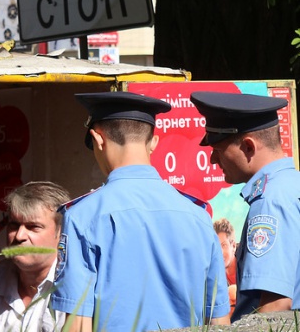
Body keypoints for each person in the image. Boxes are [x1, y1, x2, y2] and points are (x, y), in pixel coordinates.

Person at [51, 91, 230, 332]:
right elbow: (219, 321)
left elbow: (78, 325)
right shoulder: (198, 216)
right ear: (153, 143)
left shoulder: (83, 217)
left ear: (98, 139)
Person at [191, 91, 300, 321]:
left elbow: (274, 309)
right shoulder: (292, 186)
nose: (212, 160)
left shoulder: (270, 202)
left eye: (218, 150)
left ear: (249, 147)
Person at [0, 181, 70, 331]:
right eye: (14, 225)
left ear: (61, 233)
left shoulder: (75, 289)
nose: (19, 235)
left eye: (33, 227)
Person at [214, 217, 238, 316]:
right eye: (215, 246)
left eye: (223, 246)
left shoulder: (248, 267)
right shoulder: (214, 276)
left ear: (233, 246)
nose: (219, 252)